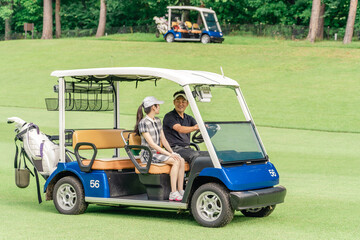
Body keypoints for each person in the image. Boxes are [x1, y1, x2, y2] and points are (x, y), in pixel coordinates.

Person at [134, 96, 185, 202]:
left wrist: (172, 152)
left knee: (181, 159)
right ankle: (173, 193)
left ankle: (181, 190)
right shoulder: (143, 123)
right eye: (158, 105)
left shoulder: (157, 120)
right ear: (153, 107)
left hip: (157, 153)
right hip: (148, 154)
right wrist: (170, 155)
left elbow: (164, 139)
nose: (159, 107)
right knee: (175, 161)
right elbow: (151, 144)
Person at [163, 90, 200, 164]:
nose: (180, 104)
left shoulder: (189, 118)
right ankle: (193, 176)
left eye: (183, 101)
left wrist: (208, 128)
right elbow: (180, 129)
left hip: (188, 149)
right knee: (196, 157)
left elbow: (198, 126)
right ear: (174, 102)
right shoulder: (169, 117)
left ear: (187, 103)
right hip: (175, 149)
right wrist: (195, 128)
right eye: (178, 101)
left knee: (210, 155)